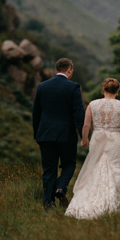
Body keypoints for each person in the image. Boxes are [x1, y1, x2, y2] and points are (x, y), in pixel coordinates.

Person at [65, 78, 120, 220]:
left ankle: (86, 202)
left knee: (94, 169)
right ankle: (108, 205)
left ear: (103, 89)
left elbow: (86, 125)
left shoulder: (93, 104)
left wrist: (85, 139)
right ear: (117, 91)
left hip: (97, 139)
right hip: (115, 141)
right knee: (113, 170)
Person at [32, 58, 85, 209]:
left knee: (49, 170)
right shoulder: (73, 87)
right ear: (69, 70)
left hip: (45, 135)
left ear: (57, 69)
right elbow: (78, 114)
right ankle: (60, 187)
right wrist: (84, 136)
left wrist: (37, 135)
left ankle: (48, 203)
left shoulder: (42, 86)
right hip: (66, 135)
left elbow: (36, 113)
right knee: (69, 164)